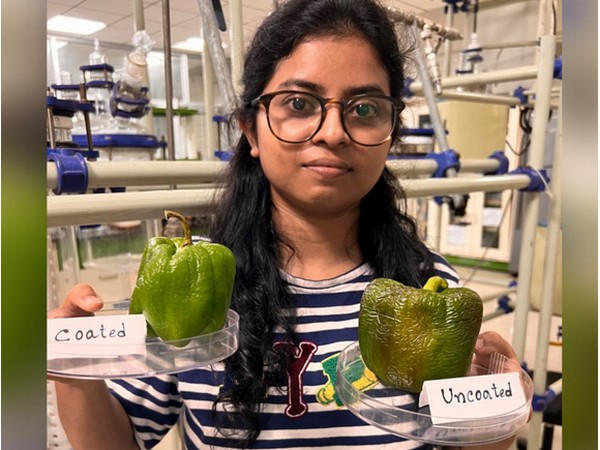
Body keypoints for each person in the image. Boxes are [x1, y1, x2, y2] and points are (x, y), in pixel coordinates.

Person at [49, 0, 524, 449]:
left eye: (364, 109)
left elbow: (460, 439)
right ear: (251, 129)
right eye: (298, 103)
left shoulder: (430, 285)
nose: (333, 133)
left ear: (391, 134)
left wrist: (497, 412)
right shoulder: (192, 281)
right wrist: (73, 369)